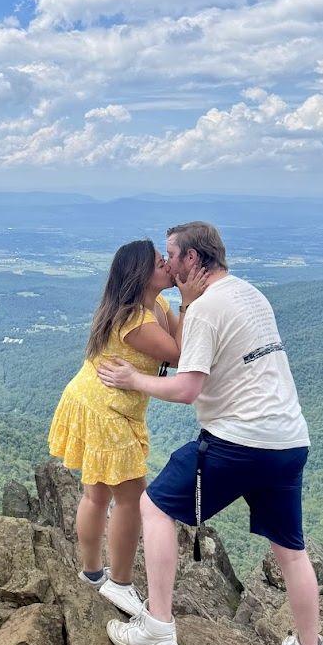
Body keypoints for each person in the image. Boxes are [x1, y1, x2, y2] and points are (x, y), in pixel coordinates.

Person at [96, 220, 323, 645]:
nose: (167, 263)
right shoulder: (250, 294)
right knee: (291, 552)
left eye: (172, 255)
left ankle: (158, 626)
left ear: (193, 258)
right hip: (288, 441)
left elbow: (187, 388)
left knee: (153, 506)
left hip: (237, 441)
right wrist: (186, 302)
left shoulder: (206, 309)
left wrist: (133, 379)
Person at [47, 239, 210, 615]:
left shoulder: (156, 306)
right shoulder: (134, 320)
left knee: (97, 495)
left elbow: (178, 341)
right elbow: (180, 354)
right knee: (131, 500)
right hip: (105, 410)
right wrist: (189, 299)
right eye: (159, 262)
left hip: (96, 401)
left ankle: (91, 573)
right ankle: (118, 584)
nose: (167, 265)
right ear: (140, 275)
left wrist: (181, 302)